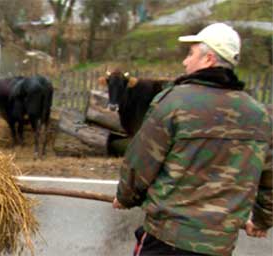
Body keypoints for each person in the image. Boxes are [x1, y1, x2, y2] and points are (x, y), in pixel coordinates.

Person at [112, 22, 272, 256]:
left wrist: (125, 197)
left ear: (208, 59)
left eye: (190, 54)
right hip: (219, 246)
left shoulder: (174, 103)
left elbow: (140, 163)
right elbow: (270, 180)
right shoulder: (258, 115)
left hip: (166, 240)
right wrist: (262, 220)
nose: (185, 61)